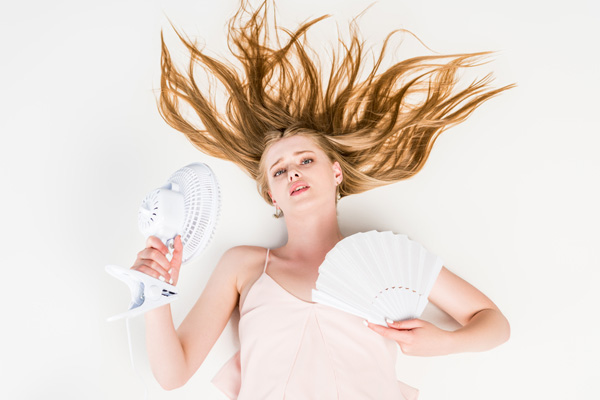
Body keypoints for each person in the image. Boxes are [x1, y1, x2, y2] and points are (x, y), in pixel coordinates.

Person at [130, 1, 512, 398]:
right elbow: (172, 374)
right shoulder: (243, 266)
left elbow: (494, 324)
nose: (292, 171)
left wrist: (442, 342)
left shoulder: (385, 257)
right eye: (278, 171)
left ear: (335, 173)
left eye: (306, 160)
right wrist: (154, 291)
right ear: (270, 195)